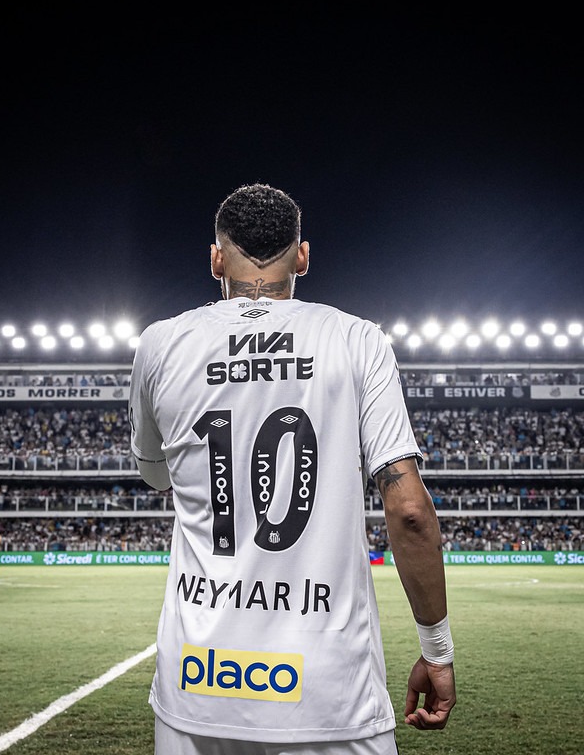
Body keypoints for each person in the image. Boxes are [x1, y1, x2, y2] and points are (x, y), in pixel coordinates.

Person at [129, 183, 456, 755]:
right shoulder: (358, 340)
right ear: (302, 255)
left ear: (214, 260)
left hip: (198, 686)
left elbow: (156, 474)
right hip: (329, 688)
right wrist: (437, 649)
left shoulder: (160, 345)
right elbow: (408, 512)